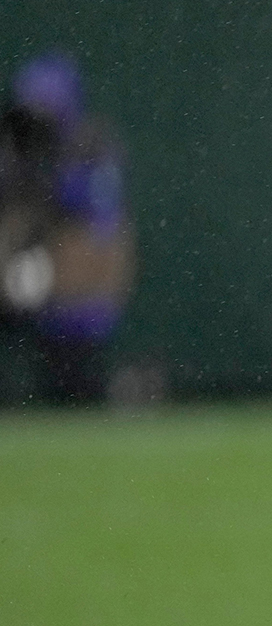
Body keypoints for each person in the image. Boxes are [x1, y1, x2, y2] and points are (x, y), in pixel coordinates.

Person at [0, 51, 135, 403]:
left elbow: (101, 226)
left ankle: (110, 387)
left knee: (73, 383)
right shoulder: (15, 148)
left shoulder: (90, 147)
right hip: (25, 264)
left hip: (74, 276)